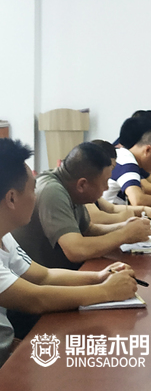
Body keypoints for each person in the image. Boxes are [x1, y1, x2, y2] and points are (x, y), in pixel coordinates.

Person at [0, 139, 139, 365]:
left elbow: (44, 276)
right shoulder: (51, 190)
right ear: (12, 198)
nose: (36, 196)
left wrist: (99, 277)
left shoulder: (5, 237)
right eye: (33, 189)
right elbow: (36, 299)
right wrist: (106, 291)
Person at [12, 142, 151, 270]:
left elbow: (88, 230)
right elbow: (76, 250)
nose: (106, 188)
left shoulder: (70, 186)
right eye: (105, 181)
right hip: (42, 280)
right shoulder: (52, 191)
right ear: (82, 184)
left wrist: (124, 227)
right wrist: (124, 235)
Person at [87, 140, 151, 224]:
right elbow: (97, 218)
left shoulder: (93, 194)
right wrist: (123, 217)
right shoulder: (83, 194)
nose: (107, 187)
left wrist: (144, 210)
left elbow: (112, 208)